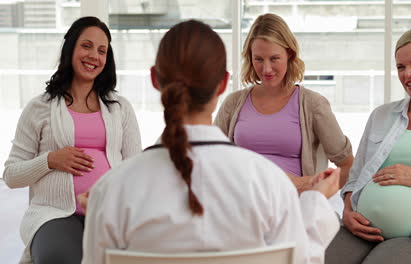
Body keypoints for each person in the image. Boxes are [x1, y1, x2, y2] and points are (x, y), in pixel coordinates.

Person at [82, 19, 341, 264]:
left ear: (155, 79)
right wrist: (316, 203)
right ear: (222, 84)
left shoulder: (111, 191)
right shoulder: (270, 184)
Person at [2, 16, 142, 264]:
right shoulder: (39, 107)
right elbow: (11, 176)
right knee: (60, 258)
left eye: (102, 51)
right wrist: (50, 160)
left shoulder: (121, 108)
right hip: (53, 214)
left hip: (108, 215)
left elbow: (135, 170)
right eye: (86, 46)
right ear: (71, 49)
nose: (94, 56)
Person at [325, 27, 411, 264]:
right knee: (314, 258)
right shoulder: (381, 116)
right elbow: (355, 179)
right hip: (362, 228)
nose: (407, 73)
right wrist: (348, 212)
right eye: (401, 67)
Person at [214, 13, 353, 193]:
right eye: (258, 59)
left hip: (294, 204)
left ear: (289, 54)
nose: (266, 69)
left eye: (274, 58)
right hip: (242, 202)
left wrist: (316, 194)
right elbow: (210, 157)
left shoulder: (313, 104)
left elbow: (348, 166)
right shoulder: (233, 103)